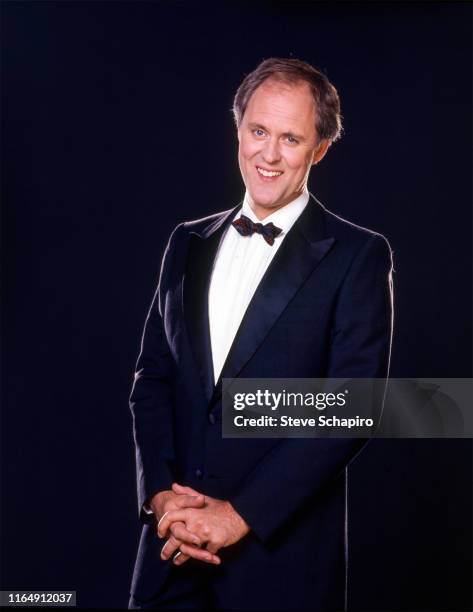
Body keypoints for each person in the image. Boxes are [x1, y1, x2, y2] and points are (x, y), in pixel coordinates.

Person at [129, 57, 393, 611]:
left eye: (291, 138)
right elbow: (152, 379)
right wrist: (161, 500)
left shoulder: (358, 254)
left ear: (319, 148)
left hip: (281, 565)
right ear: (238, 127)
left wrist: (237, 515)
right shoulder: (186, 242)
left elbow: (352, 407)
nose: (268, 155)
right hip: (169, 553)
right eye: (258, 131)